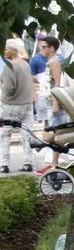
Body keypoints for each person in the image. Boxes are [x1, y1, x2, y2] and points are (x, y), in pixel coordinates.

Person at [0, 40, 33, 174]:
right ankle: (28, 161)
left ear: (14, 51)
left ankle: (3, 163)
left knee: (5, 134)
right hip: (27, 102)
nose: (4, 51)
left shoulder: (9, 66)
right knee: (26, 133)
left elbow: (8, 88)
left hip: (11, 104)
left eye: (6, 49)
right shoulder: (25, 64)